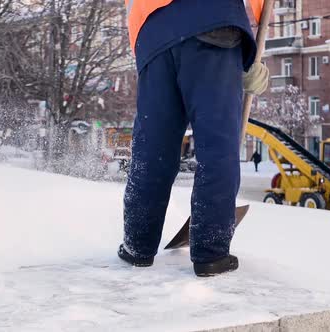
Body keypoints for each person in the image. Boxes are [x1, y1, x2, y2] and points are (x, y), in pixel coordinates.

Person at [118, 0, 269, 277]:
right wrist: (251, 56)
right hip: (213, 21)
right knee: (217, 145)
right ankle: (210, 253)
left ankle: (137, 245)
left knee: (152, 148)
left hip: (152, 34)